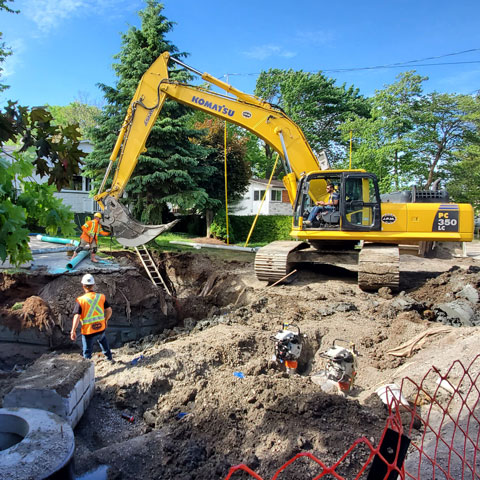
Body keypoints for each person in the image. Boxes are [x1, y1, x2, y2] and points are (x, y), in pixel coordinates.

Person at [70, 274, 114, 362]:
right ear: (93, 285)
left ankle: (87, 365)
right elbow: (109, 310)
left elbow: (77, 316)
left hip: (88, 331)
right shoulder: (101, 297)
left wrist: (73, 330)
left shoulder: (81, 300)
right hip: (100, 327)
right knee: (103, 342)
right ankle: (109, 358)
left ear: (83, 286)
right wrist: (105, 320)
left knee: (87, 351)